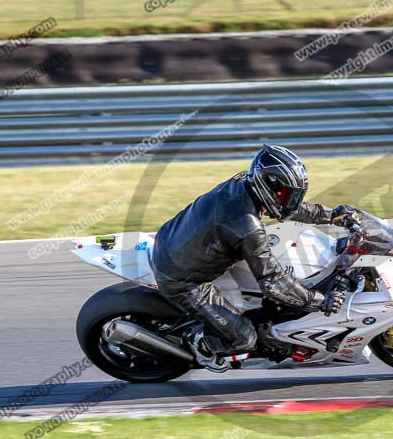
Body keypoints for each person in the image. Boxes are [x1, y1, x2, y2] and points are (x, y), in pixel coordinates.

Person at [151, 144, 359, 372]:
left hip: (173, 239)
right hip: (183, 280)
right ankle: (199, 342)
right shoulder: (246, 225)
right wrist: (319, 301)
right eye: (287, 194)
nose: (290, 200)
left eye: (294, 195)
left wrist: (331, 215)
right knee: (244, 338)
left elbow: (288, 209)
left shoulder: (244, 183)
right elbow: (273, 282)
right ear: (268, 186)